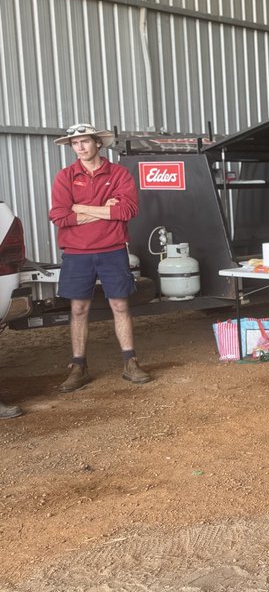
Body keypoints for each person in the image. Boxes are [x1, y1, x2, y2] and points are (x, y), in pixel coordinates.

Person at [48, 123, 151, 391]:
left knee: (120, 305)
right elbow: (59, 216)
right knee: (79, 308)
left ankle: (131, 362)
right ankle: (78, 366)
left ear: (97, 143)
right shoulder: (65, 176)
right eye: (74, 143)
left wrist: (79, 208)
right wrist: (102, 209)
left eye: (84, 141)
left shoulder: (118, 174)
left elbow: (127, 211)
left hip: (112, 249)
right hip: (76, 253)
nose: (80, 147)